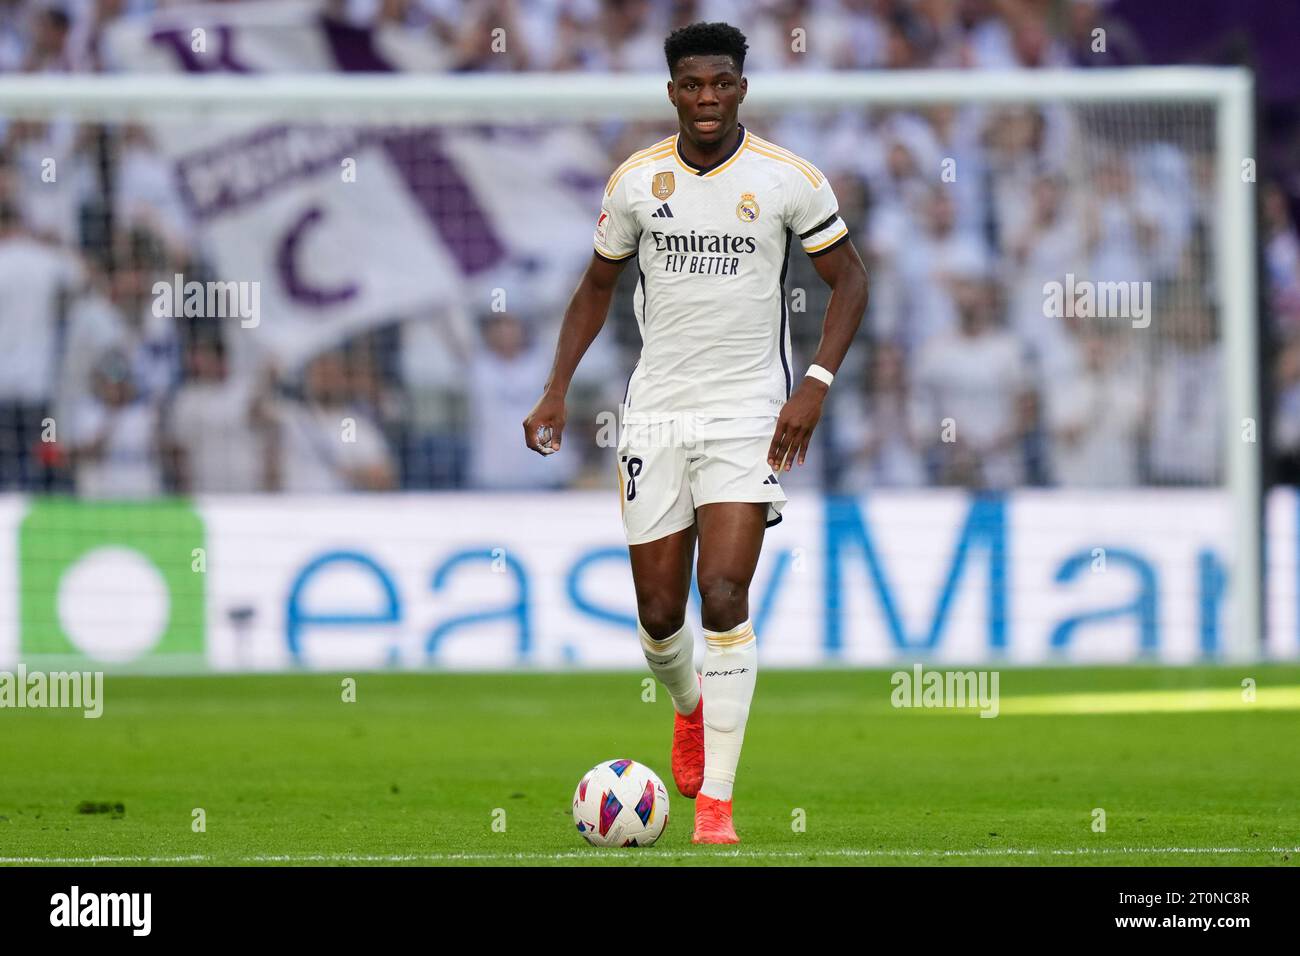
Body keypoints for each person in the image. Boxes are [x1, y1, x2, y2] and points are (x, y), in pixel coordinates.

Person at [522, 21, 868, 844]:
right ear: (672, 91)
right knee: (656, 611)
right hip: (656, 412)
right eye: (692, 86)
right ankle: (687, 706)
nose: (707, 98)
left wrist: (813, 386)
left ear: (741, 88)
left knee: (724, 592)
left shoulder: (788, 179)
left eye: (721, 84)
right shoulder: (638, 182)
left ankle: (716, 805)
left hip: (750, 410)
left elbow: (850, 279)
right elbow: (594, 288)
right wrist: (554, 390)